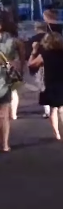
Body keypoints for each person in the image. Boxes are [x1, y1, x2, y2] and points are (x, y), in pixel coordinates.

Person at [28, 31, 63, 143]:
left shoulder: (45, 55)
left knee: (53, 110)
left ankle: (57, 134)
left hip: (50, 83)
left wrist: (34, 51)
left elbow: (31, 64)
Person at [0, 12, 23, 151]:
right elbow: (19, 62)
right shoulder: (13, 41)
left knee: (4, 114)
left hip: (3, 80)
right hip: (5, 81)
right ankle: (5, 144)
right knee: (4, 115)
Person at [27, 22, 51, 118]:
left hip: (40, 66)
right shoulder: (52, 37)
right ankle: (56, 106)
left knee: (43, 87)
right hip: (54, 64)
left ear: (36, 28)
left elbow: (28, 55)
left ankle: (48, 110)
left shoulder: (33, 39)